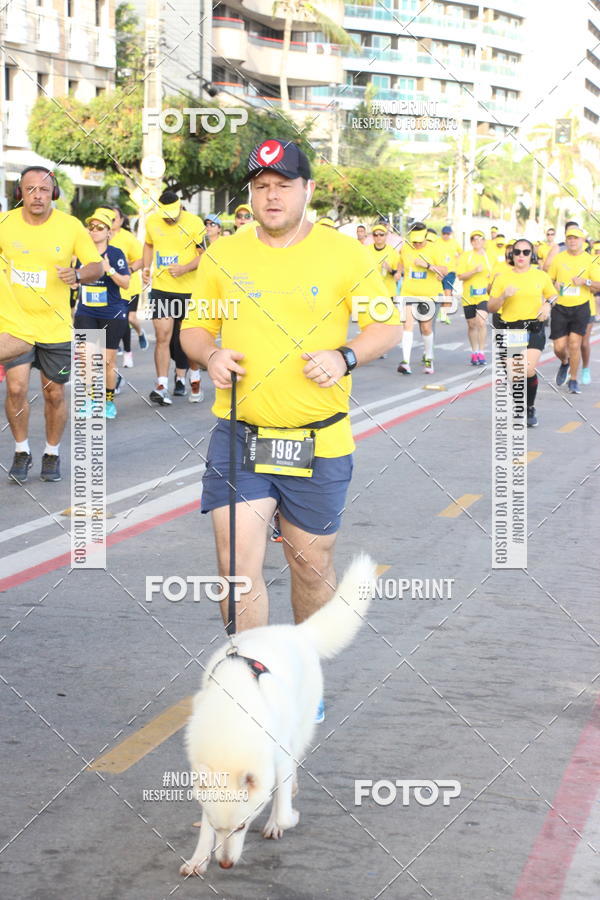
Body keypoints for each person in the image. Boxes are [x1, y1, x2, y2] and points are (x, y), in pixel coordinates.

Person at [180, 139, 400, 649]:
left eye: (283, 186)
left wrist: (344, 356)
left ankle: (302, 675)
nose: (272, 196)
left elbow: (387, 327)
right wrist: (210, 355)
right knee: (235, 566)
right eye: (261, 187)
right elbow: (194, 329)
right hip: (241, 436)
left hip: (318, 440)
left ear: (309, 190)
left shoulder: (346, 254)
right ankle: (251, 672)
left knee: (311, 565)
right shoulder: (225, 254)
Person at [0, 166, 102, 483]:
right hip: (15, 325)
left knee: (53, 394)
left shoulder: (70, 227)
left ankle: (51, 453)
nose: (37, 195)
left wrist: (79, 275)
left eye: (44, 189)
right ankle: (21, 450)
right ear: (20, 193)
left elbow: (97, 266)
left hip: (55, 327)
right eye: (30, 189)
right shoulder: (5, 225)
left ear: (53, 193)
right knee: (15, 388)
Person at [142, 190, 205, 405]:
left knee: (187, 339)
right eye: (165, 214)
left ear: (180, 207)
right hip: (161, 289)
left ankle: (194, 380)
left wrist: (185, 268)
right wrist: (145, 267)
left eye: (172, 213)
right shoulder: (152, 222)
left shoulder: (194, 222)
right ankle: (161, 386)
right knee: (162, 336)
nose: (168, 218)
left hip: (189, 290)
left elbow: (205, 255)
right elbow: (149, 245)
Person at [488, 239, 557, 427]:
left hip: (533, 327)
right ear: (512, 254)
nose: (521, 255)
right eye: (517, 252)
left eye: (526, 252)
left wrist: (547, 304)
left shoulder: (540, 276)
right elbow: (491, 307)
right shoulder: (502, 277)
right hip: (511, 329)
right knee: (514, 374)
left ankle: (530, 407)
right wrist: (503, 296)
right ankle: (520, 404)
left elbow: (553, 295)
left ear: (531, 255)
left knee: (526, 368)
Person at [73, 209, 130, 419]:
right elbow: (75, 278)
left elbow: (126, 283)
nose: (94, 231)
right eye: (91, 227)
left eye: (100, 228)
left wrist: (110, 270)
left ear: (108, 232)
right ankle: (89, 400)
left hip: (111, 313)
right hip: (86, 311)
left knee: (107, 361)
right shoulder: (81, 254)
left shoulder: (115, 254)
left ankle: (108, 402)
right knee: (86, 357)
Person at [547, 226, 600, 394]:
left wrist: (586, 282)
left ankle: (574, 379)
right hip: (560, 307)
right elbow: (548, 280)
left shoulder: (591, 260)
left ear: (583, 241)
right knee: (559, 347)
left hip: (581, 307)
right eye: (569, 238)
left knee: (575, 344)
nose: (572, 241)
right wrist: (554, 284)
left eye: (576, 238)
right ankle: (565, 362)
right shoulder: (558, 258)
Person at [396, 222, 447, 374]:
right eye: (414, 241)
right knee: (407, 325)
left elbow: (444, 270)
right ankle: (405, 362)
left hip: (429, 295)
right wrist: (398, 272)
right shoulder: (406, 247)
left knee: (426, 328)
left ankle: (429, 359)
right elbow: (400, 261)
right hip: (409, 293)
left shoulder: (435, 248)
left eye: (419, 241)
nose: (417, 244)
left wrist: (427, 265)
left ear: (425, 237)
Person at [104, 205, 147, 365]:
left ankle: (133, 342)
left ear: (121, 220)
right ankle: (114, 349)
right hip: (104, 289)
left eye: (115, 218)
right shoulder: (96, 237)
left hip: (127, 286)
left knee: (129, 318)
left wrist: (128, 270)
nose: (112, 221)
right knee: (113, 321)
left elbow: (142, 258)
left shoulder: (128, 238)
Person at [456, 230, 492, 366]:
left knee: (481, 322)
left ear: (484, 241)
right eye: (474, 239)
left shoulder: (489, 257)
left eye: (480, 239)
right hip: (468, 296)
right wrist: (474, 271)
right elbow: (460, 276)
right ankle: (474, 352)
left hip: (483, 295)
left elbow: (495, 274)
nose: (477, 241)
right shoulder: (466, 256)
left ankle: (482, 352)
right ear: (471, 242)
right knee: (471, 325)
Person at [436, 225, 462, 325]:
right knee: (439, 295)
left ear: (450, 234)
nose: (446, 236)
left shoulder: (454, 243)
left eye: (448, 234)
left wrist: (457, 261)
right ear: (441, 234)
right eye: (444, 234)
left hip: (450, 272)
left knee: (447, 294)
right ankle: (440, 312)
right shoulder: (437, 242)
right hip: (438, 272)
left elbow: (461, 253)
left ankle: (444, 315)